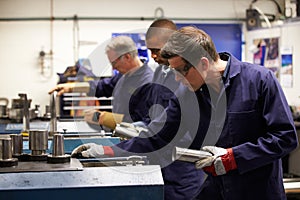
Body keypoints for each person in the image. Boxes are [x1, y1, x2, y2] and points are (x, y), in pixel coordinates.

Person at [71, 26, 297, 199]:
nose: (176, 79)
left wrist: (233, 158)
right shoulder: (186, 93)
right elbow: (158, 137)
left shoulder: (259, 80)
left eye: (180, 71)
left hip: (257, 192)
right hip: (216, 190)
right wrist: (107, 151)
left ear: (204, 64)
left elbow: (284, 138)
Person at [49, 35, 154, 129]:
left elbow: (142, 123)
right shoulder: (124, 75)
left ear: (127, 57)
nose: (113, 67)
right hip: (122, 135)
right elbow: (102, 86)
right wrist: (72, 87)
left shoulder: (147, 82)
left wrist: (103, 118)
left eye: (114, 62)